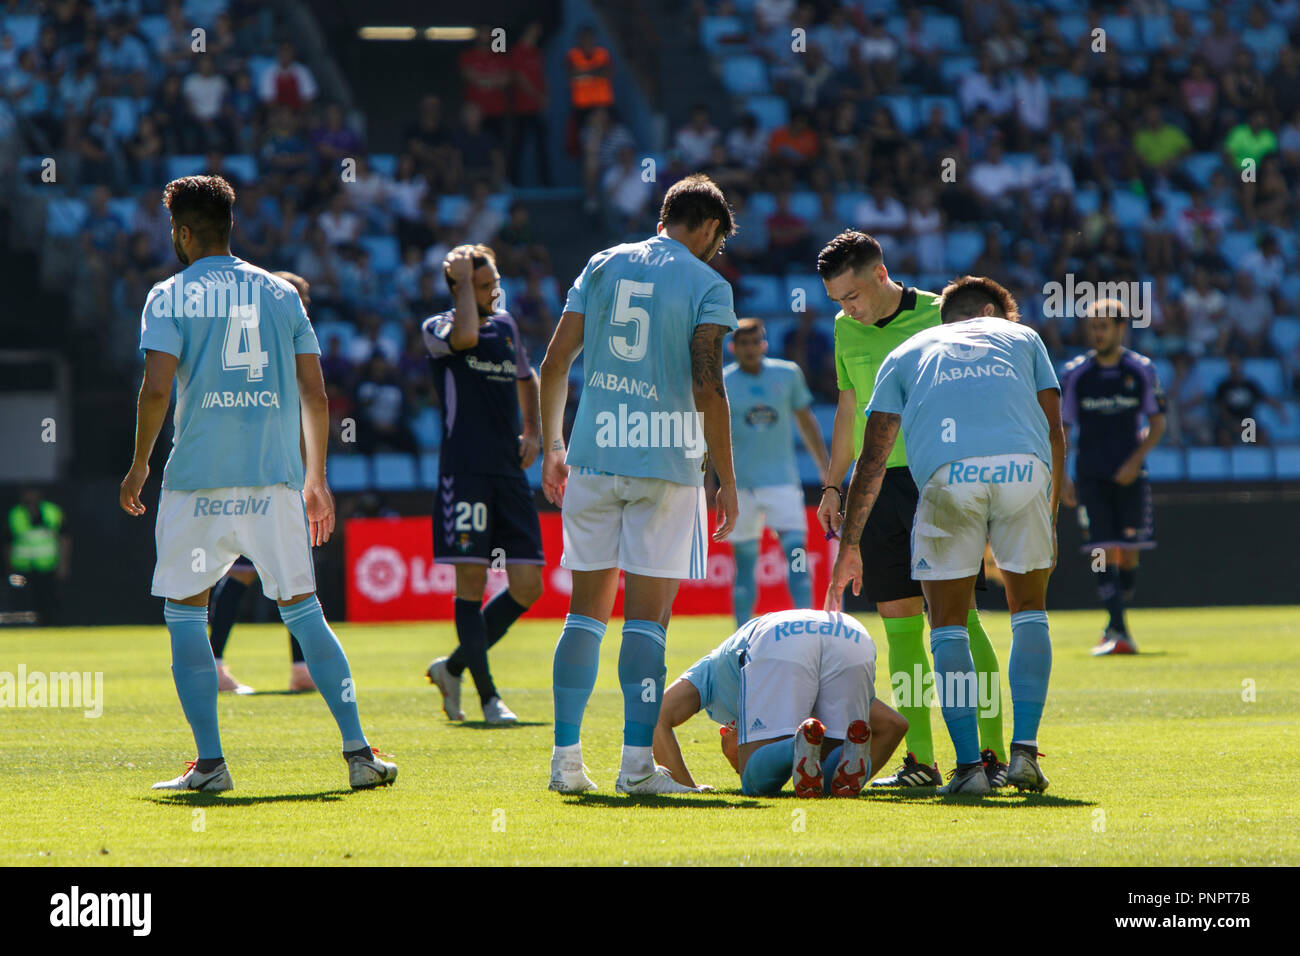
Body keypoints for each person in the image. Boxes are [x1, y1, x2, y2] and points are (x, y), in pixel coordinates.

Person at [119, 175, 396, 792]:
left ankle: (211, 765)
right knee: (305, 613)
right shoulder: (280, 293)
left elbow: (158, 387)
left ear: (185, 233)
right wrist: (316, 477)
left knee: (187, 617)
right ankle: (359, 753)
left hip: (195, 485)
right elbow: (316, 395)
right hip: (273, 483)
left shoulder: (168, 296)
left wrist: (139, 462)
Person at [539, 174, 739, 795]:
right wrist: (726, 479)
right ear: (708, 228)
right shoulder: (708, 284)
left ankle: (565, 765)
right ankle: (635, 768)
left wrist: (552, 446)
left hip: (594, 457)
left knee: (584, 614)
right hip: (666, 465)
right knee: (647, 622)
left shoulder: (601, 264)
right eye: (720, 242)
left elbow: (554, 362)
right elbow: (708, 386)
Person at [827, 276, 1065, 795]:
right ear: (991, 311)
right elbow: (1054, 428)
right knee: (1029, 612)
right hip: (1024, 470)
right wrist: (1048, 508)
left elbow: (871, 456)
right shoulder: (1023, 339)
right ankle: (1022, 755)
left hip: (945, 477)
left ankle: (967, 770)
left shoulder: (907, 351)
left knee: (948, 624)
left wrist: (849, 543)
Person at [816, 230, 1008, 789]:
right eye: (837, 302)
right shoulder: (843, 328)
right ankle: (919, 761)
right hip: (874, 491)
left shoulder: (940, 316)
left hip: (938, 482)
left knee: (959, 621)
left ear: (880, 276)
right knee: (900, 629)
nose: (846, 310)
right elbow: (848, 408)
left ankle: (990, 757)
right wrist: (834, 487)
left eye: (851, 296)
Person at [422, 244, 545, 725]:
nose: (497, 287)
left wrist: (533, 431)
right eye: (485, 281)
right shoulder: (437, 329)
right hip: (465, 472)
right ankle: (488, 697)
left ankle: (451, 668)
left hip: (509, 473)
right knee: (471, 582)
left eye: (495, 279)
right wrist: (462, 288)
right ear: (460, 286)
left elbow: (527, 376)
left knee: (528, 586)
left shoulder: (508, 325)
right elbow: (466, 335)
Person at [653, 610, 910, 797]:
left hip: (778, 636)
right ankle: (852, 752)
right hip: (849, 633)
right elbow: (894, 725)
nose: (735, 767)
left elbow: (657, 716)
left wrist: (688, 791)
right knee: (830, 785)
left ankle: (796, 747)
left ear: (728, 731)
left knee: (754, 783)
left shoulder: (712, 666)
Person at [208, 272, 318, 695]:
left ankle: (295, 667)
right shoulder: (286, 347)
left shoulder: (248, 346)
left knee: (252, 572)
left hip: (256, 470)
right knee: (265, 572)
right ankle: (298, 667)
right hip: (270, 473)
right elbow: (310, 409)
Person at [1059, 300, 1167, 656]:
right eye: (1093, 326)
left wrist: (1135, 462)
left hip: (1129, 477)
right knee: (1101, 549)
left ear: (1122, 328)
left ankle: (1115, 620)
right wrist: (1063, 476)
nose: (1098, 333)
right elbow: (1062, 428)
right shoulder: (1076, 373)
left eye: (1104, 326)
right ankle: (1120, 631)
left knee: (1129, 555)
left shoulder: (1141, 370)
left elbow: (1158, 423)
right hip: (1091, 476)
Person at [723, 318, 829, 625]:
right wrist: (709, 481)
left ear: (764, 344)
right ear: (733, 348)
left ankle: (807, 626)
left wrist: (825, 467)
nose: (750, 349)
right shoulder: (723, 381)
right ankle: (741, 636)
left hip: (782, 482)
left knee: (796, 556)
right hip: (740, 486)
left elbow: (806, 421)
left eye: (755, 342)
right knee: (744, 565)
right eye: (743, 343)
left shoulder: (787, 374)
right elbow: (708, 433)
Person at [6, 488, 69, 626]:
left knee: (48, 602)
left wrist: (63, 564)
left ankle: (49, 627)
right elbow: (8, 543)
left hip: (47, 566)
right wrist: (9, 566)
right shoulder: (16, 514)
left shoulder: (52, 511)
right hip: (22, 568)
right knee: (23, 604)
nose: (30, 496)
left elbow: (64, 538)